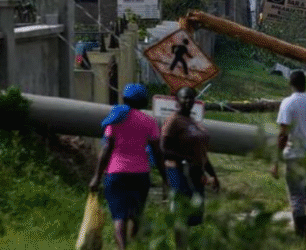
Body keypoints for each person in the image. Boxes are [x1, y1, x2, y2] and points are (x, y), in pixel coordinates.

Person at [89, 83, 167, 250]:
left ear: (124, 99)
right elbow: (157, 152)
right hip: (140, 174)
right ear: (144, 101)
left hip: (116, 173)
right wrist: (165, 177)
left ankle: (122, 248)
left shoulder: (115, 118)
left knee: (119, 216)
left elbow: (107, 148)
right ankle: (134, 244)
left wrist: (96, 176)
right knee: (136, 214)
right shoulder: (149, 122)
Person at [271, 71, 306, 242]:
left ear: (290, 84)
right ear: (305, 84)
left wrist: (275, 161)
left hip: (294, 157)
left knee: (297, 197)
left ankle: (300, 237)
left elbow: (283, 135)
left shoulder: (287, 103)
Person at [161, 86, 219, 246]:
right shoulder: (173, 120)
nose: (187, 100)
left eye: (190, 97)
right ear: (177, 100)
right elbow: (164, 149)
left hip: (195, 173)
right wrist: (186, 160)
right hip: (179, 172)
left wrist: (213, 174)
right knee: (181, 213)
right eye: (184, 97)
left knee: (193, 216)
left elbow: (201, 153)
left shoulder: (193, 121)